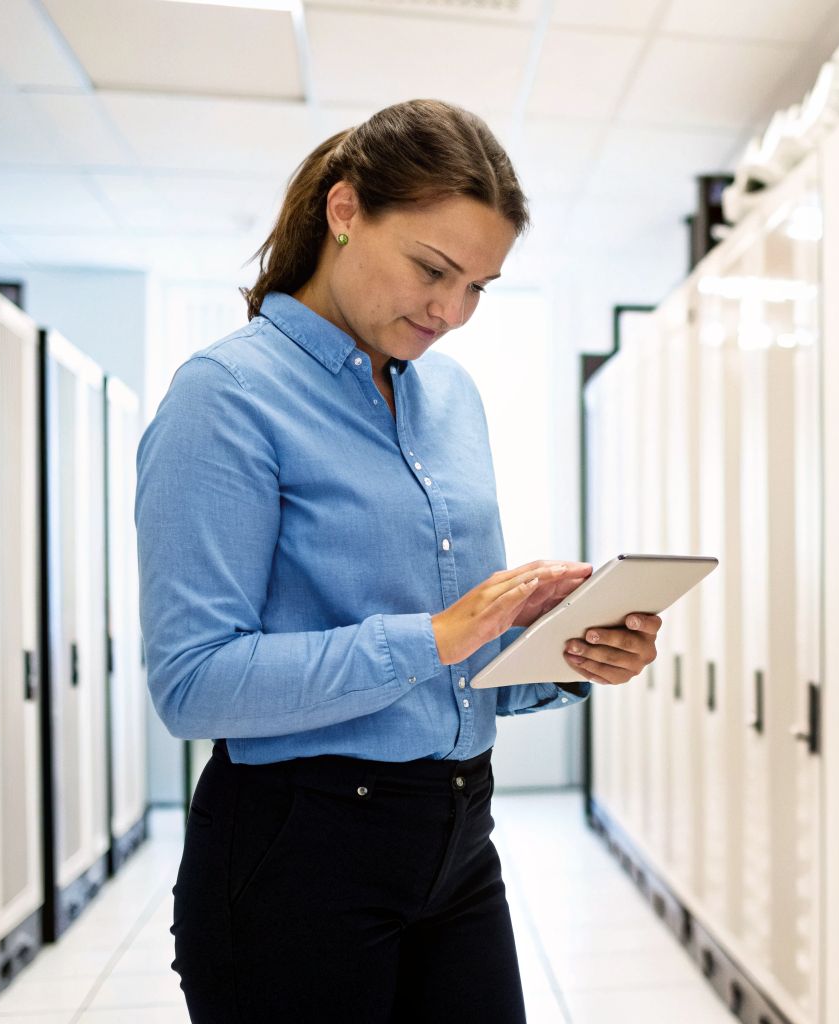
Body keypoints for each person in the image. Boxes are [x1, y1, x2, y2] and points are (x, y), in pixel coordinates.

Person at [135, 98, 660, 1022]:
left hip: (459, 840)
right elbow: (194, 683)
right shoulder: (225, 398)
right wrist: (434, 636)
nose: (451, 312)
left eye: (478, 288)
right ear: (345, 212)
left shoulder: (450, 397)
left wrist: (559, 655)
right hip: (298, 855)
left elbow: (455, 667)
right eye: (432, 269)